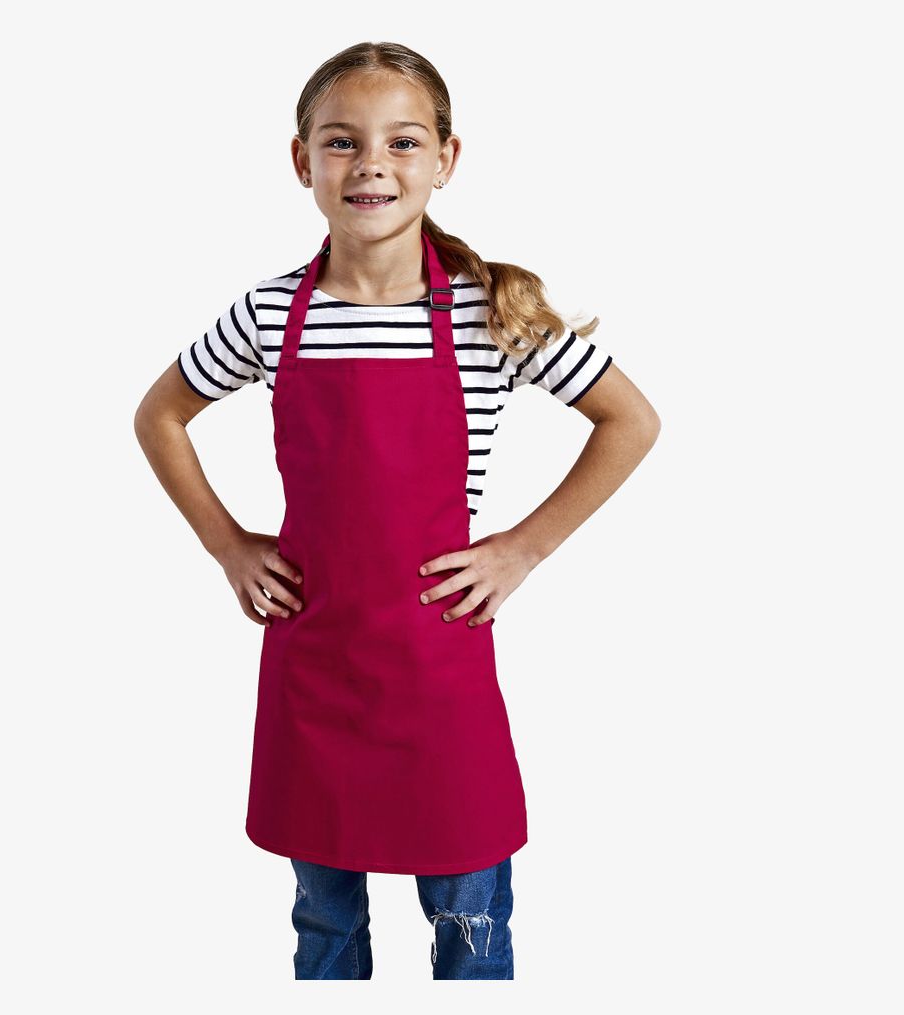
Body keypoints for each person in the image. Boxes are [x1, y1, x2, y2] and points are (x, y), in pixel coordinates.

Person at [134, 41, 661, 981]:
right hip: (314, 668)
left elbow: (630, 419)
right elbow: (160, 414)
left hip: (438, 672)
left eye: (402, 142)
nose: (370, 164)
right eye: (341, 141)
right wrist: (229, 547)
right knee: (326, 929)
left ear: (445, 160)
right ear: (301, 161)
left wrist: (521, 549)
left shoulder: (489, 312)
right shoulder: (270, 315)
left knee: (470, 927)